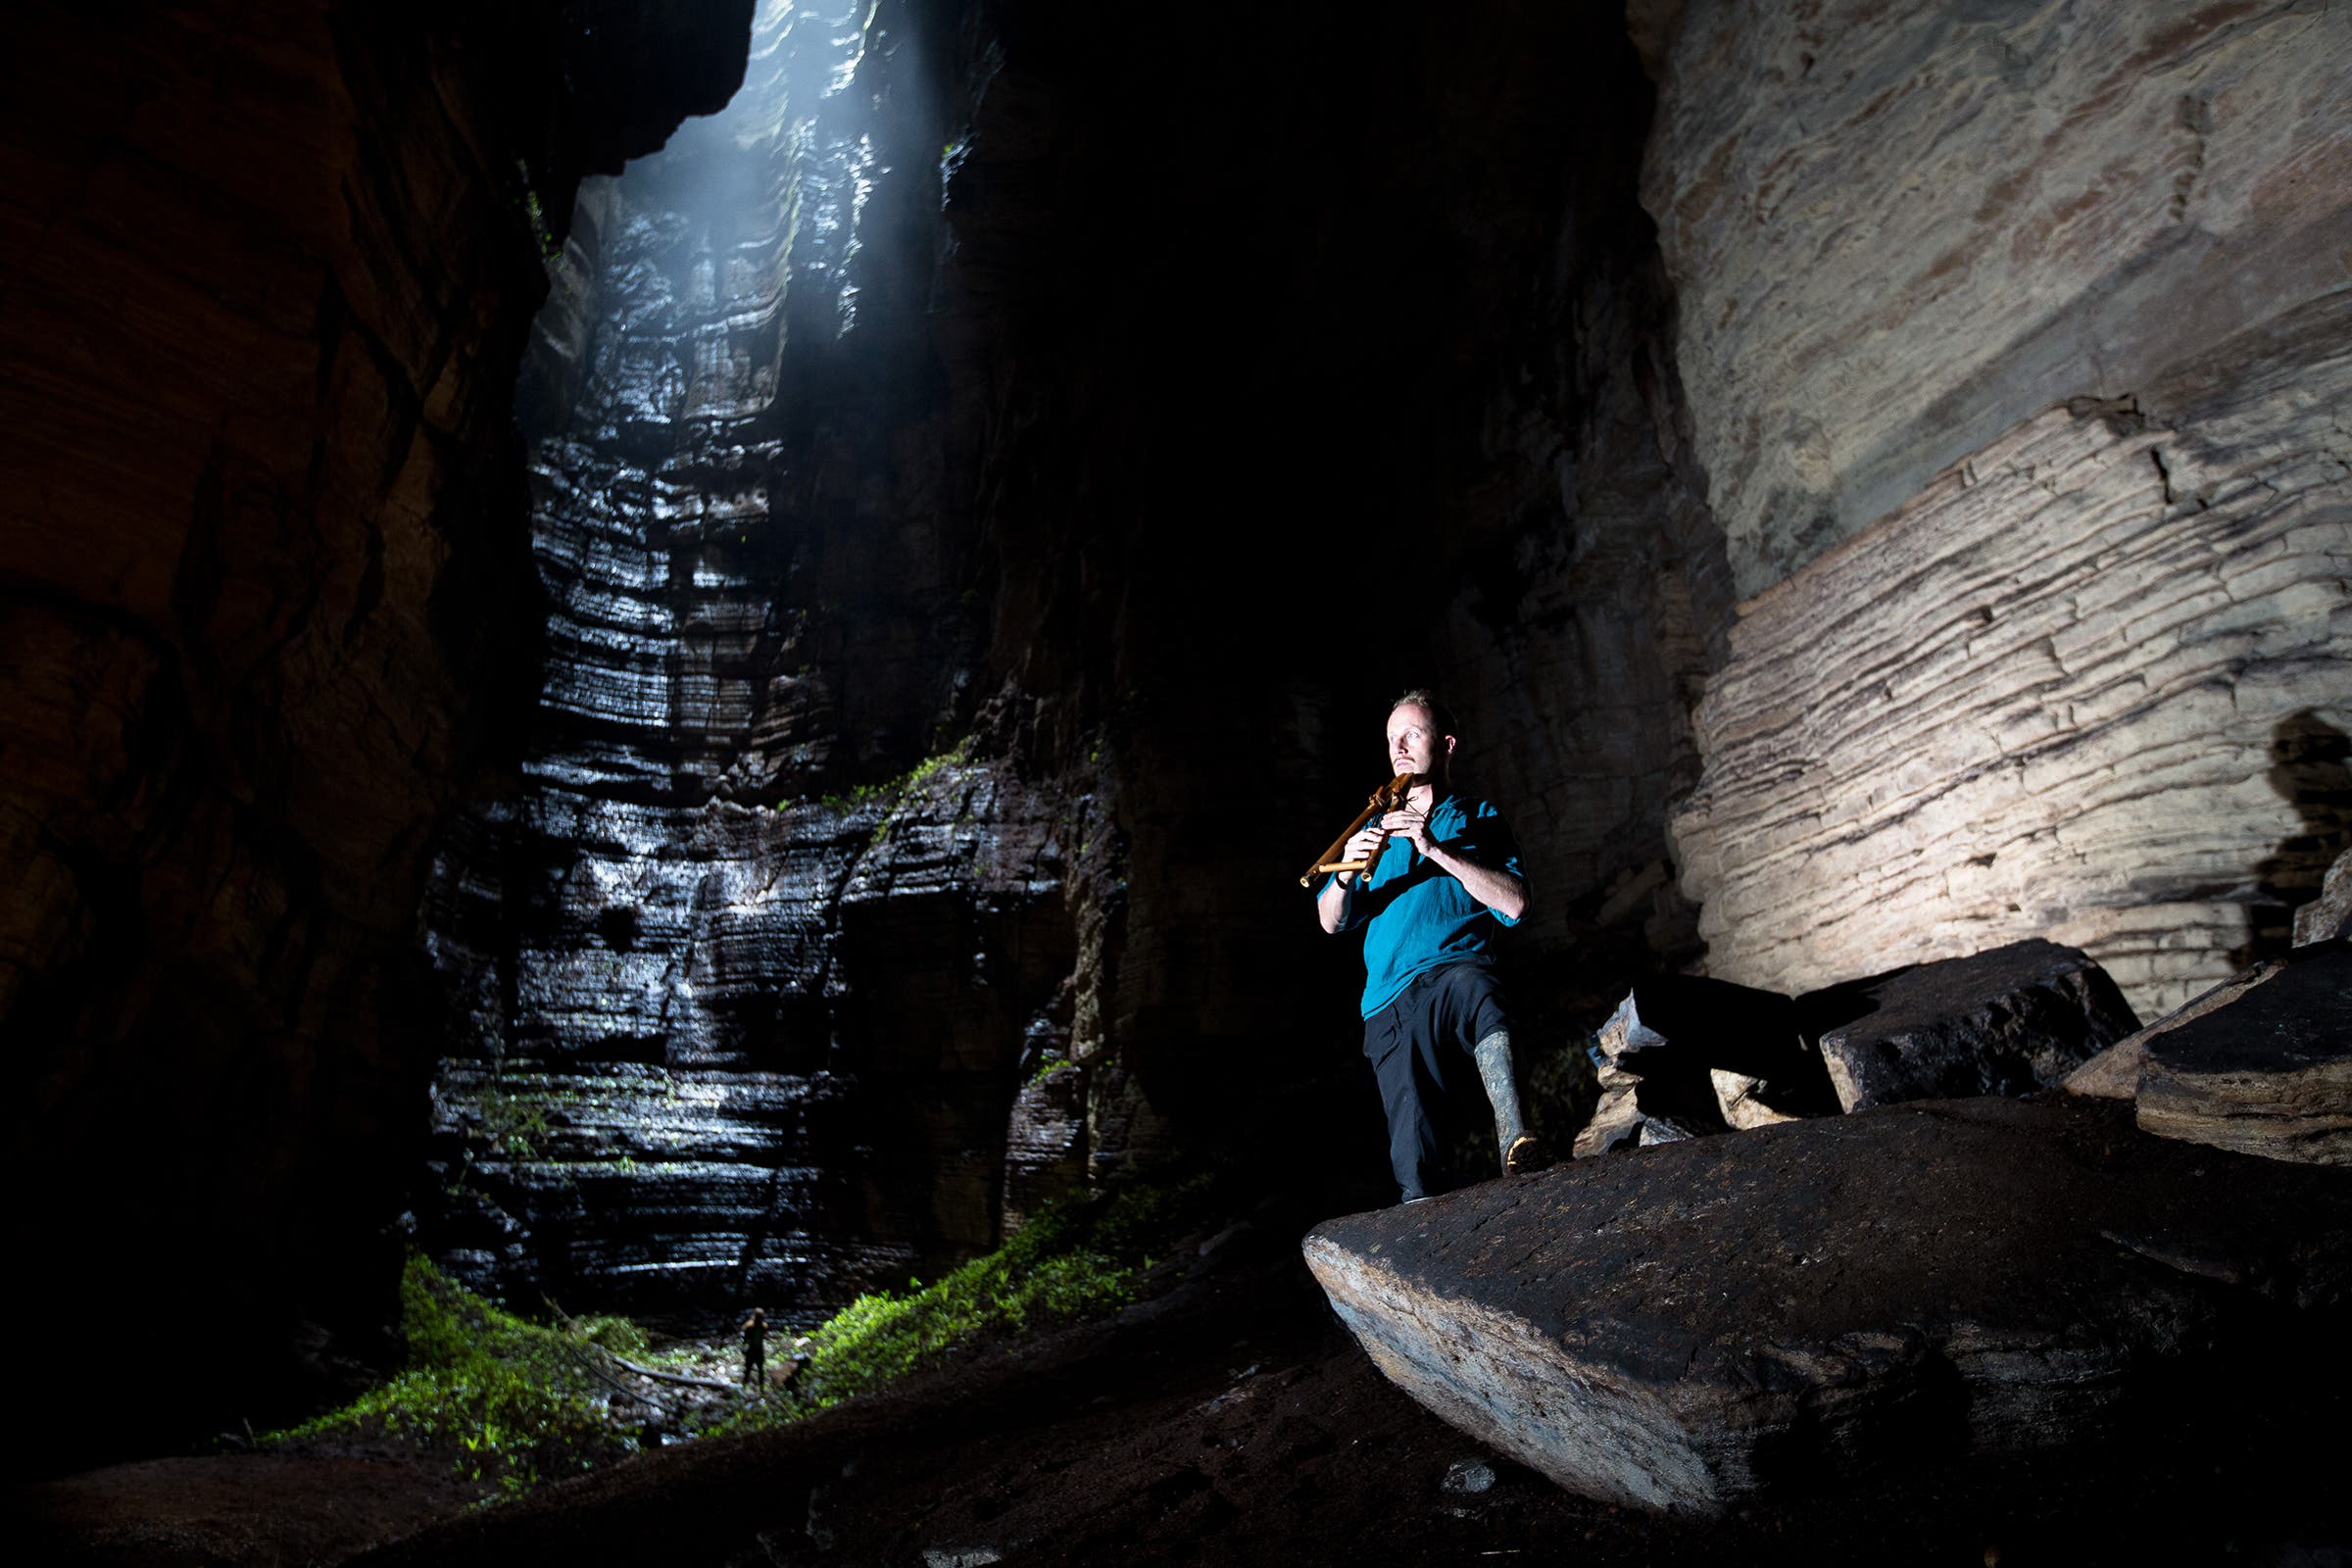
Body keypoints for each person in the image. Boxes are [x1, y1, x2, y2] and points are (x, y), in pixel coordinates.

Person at [1315, 690, 1544, 1202]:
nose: (1397, 749)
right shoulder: (1373, 828)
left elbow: (1515, 904)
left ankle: (1516, 1137)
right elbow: (1330, 921)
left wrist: (1434, 848)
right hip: (1388, 1001)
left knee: (1481, 992)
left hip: (1454, 970)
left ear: (1446, 745)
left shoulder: (1477, 815)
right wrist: (1347, 873)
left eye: (1411, 735)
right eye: (1391, 739)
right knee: (1416, 1168)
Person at [741, 1306, 768, 1388]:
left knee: (756, 1370)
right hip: (754, 1350)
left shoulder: (762, 1327)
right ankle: (748, 1387)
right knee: (752, 1370)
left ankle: (759, 1388)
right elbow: (745, 1339)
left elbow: (745, 1340)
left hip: (755, 1350)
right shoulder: (750, 1327)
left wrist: (744, 1346)